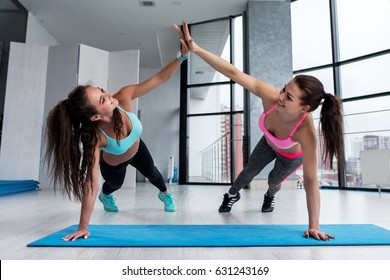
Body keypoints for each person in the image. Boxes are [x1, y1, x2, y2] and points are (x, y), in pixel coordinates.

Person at [174, 21, 345, 241]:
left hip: (291, 157)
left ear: (304, 108)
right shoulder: (271, 96)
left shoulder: (305, 131)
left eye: (289, 97)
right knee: (247, 173)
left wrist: (314, 225)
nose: (281, 96)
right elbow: (233, 72)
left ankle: (270, 195)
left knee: (274, 180)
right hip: (268, 143)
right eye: (285, 88)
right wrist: (196, 49)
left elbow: (311, 181)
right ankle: (231, 195)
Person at [45, 39, 189, 242]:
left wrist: (182, 55)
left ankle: (165, 193)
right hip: (115, 164)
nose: (109, 94)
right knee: (114, 185)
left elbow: (159, 79)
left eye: (102, 90)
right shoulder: (96, 137)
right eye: (103, 99)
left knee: (154, 173)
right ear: (95, 117)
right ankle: (108, 195)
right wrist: (82, 227)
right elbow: (91, 182)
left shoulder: (124, 97)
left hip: (138, 149)